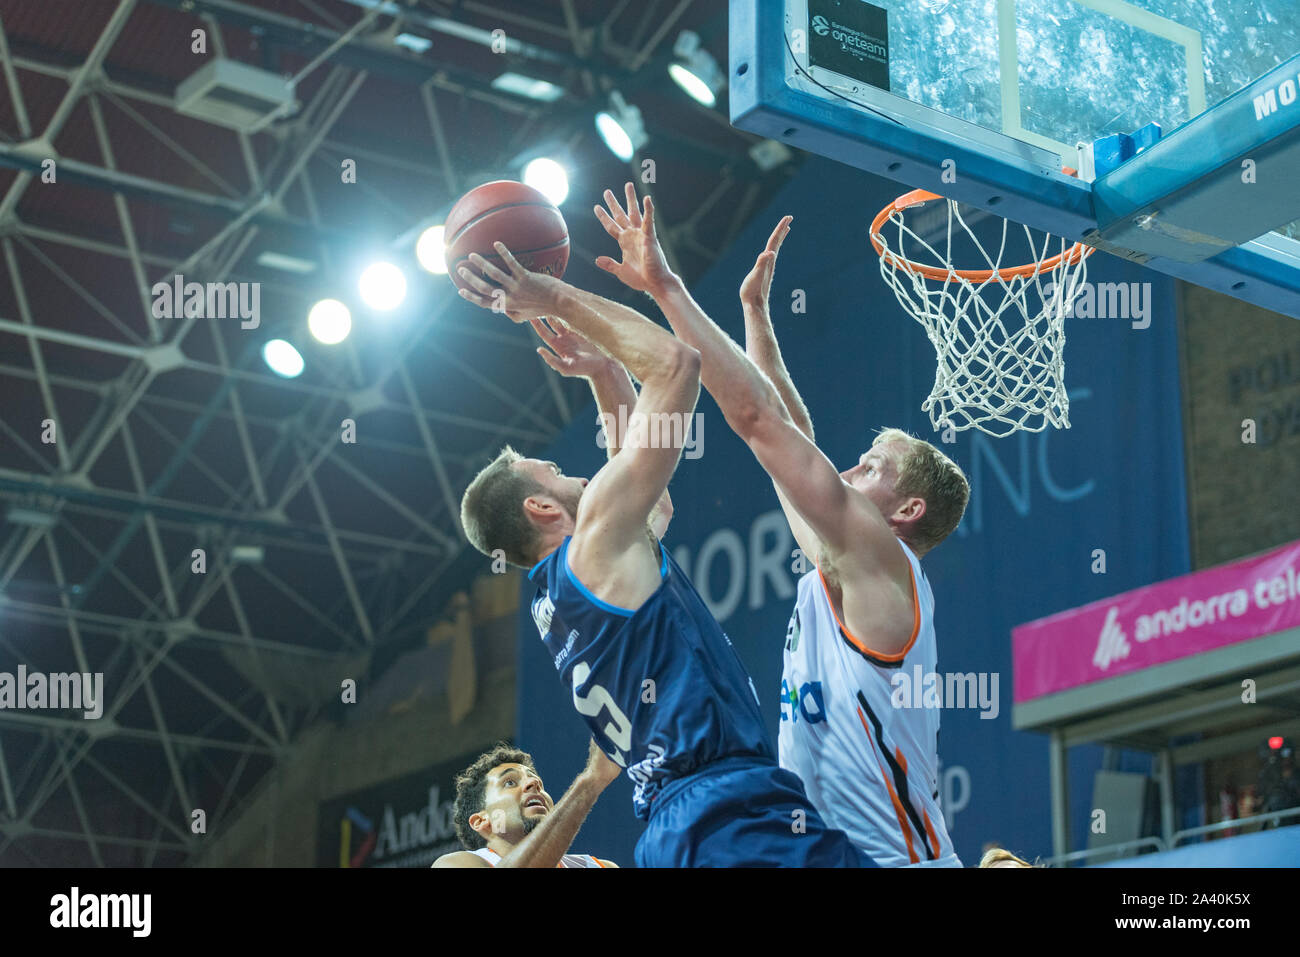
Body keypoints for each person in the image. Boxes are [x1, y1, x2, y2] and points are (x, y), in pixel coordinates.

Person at [455, 243, 870, 867]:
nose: (576, 474)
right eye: (556, 472)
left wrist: (604, 373)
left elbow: (653, 509)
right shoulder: (593, 542)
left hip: (679, 828)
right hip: (724, 811)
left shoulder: (564, 590)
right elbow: (677, 365)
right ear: (541, 510)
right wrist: (553, 297)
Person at [594, 184, 970, 866]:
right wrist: (755, 316)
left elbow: (762, 424)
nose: (850, 468)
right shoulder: (842, 567)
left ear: (906, 510)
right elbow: (789, 440)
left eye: (873, 465)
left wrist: (667, 287)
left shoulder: (879, 562)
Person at [433, 740, 620, 867]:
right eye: (510, 783)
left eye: (538, 783)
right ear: (481, 821)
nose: (533, 784)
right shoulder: (454, 864)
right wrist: (589, 783)